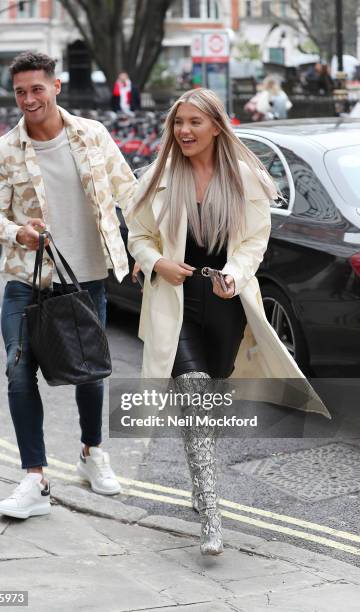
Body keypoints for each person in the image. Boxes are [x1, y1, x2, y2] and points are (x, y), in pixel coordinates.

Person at [128, 88, 329, 556]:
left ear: (217, 126)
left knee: (208, 400)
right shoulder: (157, 176)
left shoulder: (246, 179)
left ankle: (204, 482)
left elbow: (254, 242)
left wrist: (234, 277)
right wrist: (157, 262)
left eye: (195, 123)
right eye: (179, 123)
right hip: (174, 302)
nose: (184, 132)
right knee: (193, 390)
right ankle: (212, 515)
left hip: (224, 301)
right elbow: (137, 236)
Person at [0, 51, 137, 519]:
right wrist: (17, 232)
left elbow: (129, 190)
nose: (29, 99)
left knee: (89, 370)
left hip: (87, 278)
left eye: (37, 89)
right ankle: (35, 478)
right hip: (27, 281)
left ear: (56, 86)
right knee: (17, 369)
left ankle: (92, 452)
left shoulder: (93, 134)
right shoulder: (5, 150)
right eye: (20, 91)